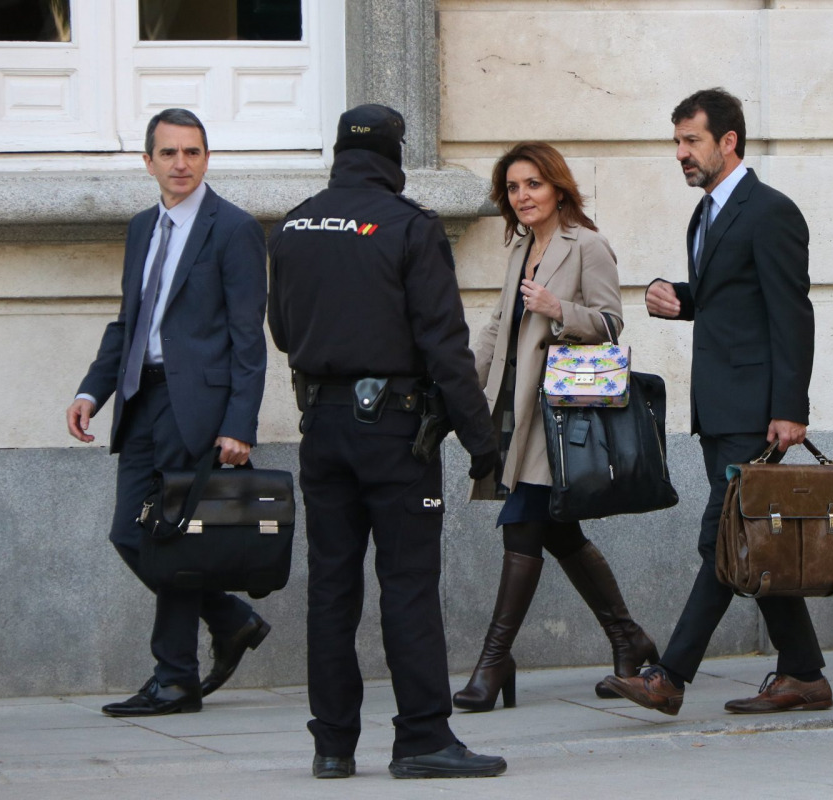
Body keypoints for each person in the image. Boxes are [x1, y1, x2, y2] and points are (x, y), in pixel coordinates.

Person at [266, 104, 507, 780]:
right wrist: (482, 442)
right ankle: (422, 738)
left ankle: (332, 745)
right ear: (394, 156)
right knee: (407, 585)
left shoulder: (294, 226)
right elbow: (445, 346)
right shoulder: (409, 226)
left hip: (322, 427)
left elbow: (282, 330)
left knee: (331, 588)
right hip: (396, 434)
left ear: (339, 152)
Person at [603, 88, 831, 715]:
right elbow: (728, 296)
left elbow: (792, 314)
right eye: (677, 141)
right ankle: (804, 673)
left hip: (756, 411)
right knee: (749, 539)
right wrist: (680, 298)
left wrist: (790, 408)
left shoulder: (771, 212)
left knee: (722, 539)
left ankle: (669, 676)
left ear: (728, 141)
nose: (681, 153)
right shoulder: (705, 215)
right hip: (719, 408)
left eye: (692, 140)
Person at [65, 108, 270, 717]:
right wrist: (91, 392)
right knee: (130, 532)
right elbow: (128, 323)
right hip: (141, 399)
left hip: (198, 407)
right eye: (169, 153)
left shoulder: (233, 228)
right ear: (148, 161)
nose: (182, 163)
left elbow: (248, 336)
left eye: (193, 152)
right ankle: (228, 618)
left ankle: (175, 678)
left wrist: (239, 423)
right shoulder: (140, 228)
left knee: (172, 539)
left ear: (207, 158)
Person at [453, 142, 659, 712]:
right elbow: (498, 326)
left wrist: (557, 308)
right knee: (557, 531)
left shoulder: (586, 244)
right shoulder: (521, 247)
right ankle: (627, 637)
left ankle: (494, 662)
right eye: (513, 187)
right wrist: (463, 388)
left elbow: (611, 323)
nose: (522, 196)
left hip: (561, 414)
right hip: (518, 411)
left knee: (521, 523)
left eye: (533, 184)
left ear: (558, 188)